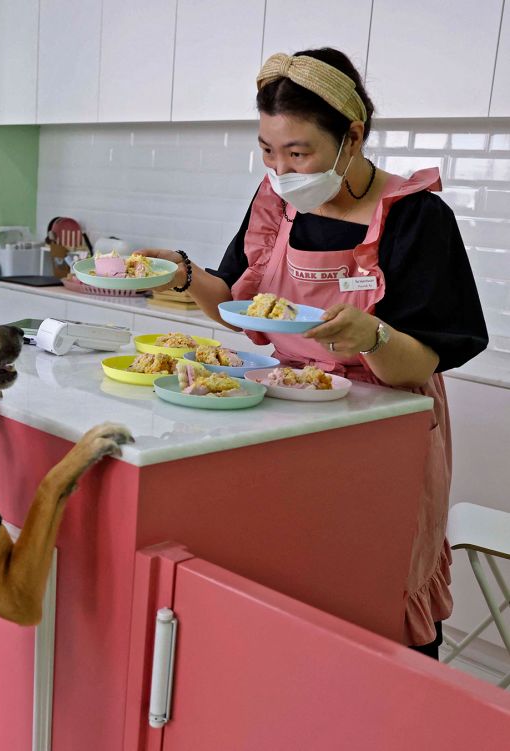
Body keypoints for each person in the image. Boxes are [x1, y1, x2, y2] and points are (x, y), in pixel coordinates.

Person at [143, 48, 488, 658]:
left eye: (298, 152)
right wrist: (179, 274)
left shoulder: (415, 218)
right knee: (292, 590)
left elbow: (426, 360)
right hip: (284, 419)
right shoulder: (276, 205)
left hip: (381, 439)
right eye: (268, 150)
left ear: (352, 137)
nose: (281, 168)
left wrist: (372, 336)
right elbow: (233, 300)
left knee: (372, 586)